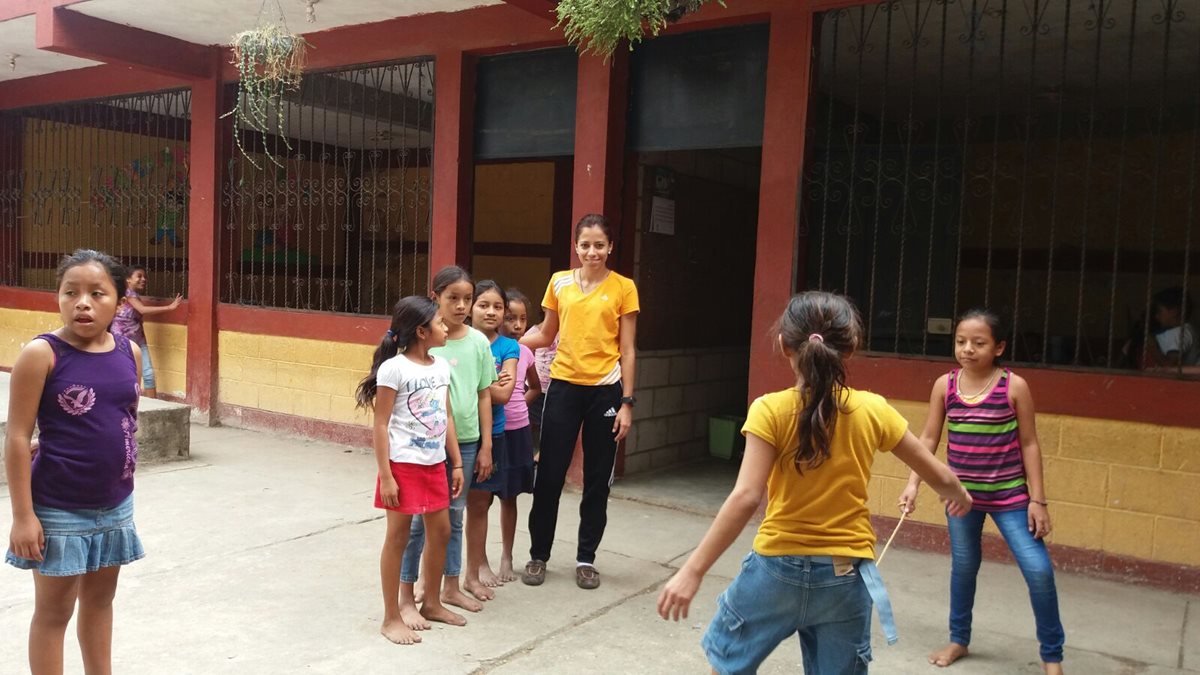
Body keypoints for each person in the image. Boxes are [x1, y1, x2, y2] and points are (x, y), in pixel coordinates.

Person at [656, 291, 973, 675]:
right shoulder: (873, 409)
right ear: (852, 347)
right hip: (844, 580)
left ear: (783, 345)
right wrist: (957, 493)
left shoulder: (769, 409)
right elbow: (937, 473)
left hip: (774, 572)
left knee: (726, 667)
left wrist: (692, 571)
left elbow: (745, 497)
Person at [898, 308, 1065, 674]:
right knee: (964, 567)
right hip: (961, 499)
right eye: (960, 342)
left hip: (1011, 498)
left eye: (979, 342)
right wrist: (913, 484)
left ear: (999, 346)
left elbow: (1030, 444)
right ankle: (959, 638)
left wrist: (1038, 501)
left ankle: (1052, 657)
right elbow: (927, 438)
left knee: (1038, 570)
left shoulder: (1014, 386)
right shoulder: (945, 385)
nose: (967, 349)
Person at [5, 249, 147, 674]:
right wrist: (23, 516)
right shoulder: (42, 355)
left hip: (115, 506)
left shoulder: (130, 353)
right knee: (54, 613)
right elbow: (15, 437)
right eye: (71, 292)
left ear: (120, 303)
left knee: (101, 604)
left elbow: (123, 420)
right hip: (58, 510)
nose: (82, 302)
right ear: (58, 298)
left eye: (96, 293)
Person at [520, 213, 639, 590]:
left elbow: (628, 349)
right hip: (564, 388)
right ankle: (539, 556)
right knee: (550, 475)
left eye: (599, 245)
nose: (592, 252)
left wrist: (627, 402)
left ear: (610, 247)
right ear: (576, 246)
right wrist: (510, 345)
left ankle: (586, 559)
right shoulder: (559, 283)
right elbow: (547, 332)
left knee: (596, 481)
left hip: (606, 390)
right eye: (585, 245)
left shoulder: (624, 287)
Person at [354, 296, 465, 644]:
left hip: (435, 465)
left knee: (442, 531)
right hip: (402, 466)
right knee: (398, 538)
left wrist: (456, 461)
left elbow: (445, 416)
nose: (445, 326)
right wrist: (386, 475)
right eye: (439, 322)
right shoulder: (395, 369)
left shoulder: (441, 366)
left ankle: (431, 601)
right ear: (421, 331)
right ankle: (390, 617)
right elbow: (381, 423)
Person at [401, 266, 496, 613]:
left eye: (467, 299)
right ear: (435, 297)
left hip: (468, 442)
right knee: (417, 521)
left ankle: (450, 587)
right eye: (452, 298)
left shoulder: (478, 343)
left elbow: (485, 394)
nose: (461, 306)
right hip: (426, 445)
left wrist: (486, 445)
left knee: (455, 515)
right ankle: (412, 587)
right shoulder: (426, 341)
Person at [465, 280, 519, 590]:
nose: (491, 312)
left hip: (492, 433)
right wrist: (488, 384)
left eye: (498, 307)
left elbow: (504, 395)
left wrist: (470, 385)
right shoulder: (453, 340)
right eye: (484, 305)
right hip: (456, 431)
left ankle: (478, 564)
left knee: (480, 502)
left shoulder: (508, 346)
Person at [497, 288, 540, 582]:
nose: (516, 325)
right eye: (510, 318)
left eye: (522, 319)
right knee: (481, 498)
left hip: (519, 432)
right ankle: (478, 561)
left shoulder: (525, 352)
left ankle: (507, 556)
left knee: (510, 497)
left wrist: (518, 406)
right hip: (492, 432)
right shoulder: (485, 348)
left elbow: (535, 387)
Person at [110, 264, 182, 399]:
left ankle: (151, 406)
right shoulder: (127, 294)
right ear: (128, 280)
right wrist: (169, 307)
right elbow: (142, 310)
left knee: (147, 374)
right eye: (139, 276)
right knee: (126, 372)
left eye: (144, 276)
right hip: (122, 340)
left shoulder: (134, 295)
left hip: (139, 339)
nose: (143, 279)